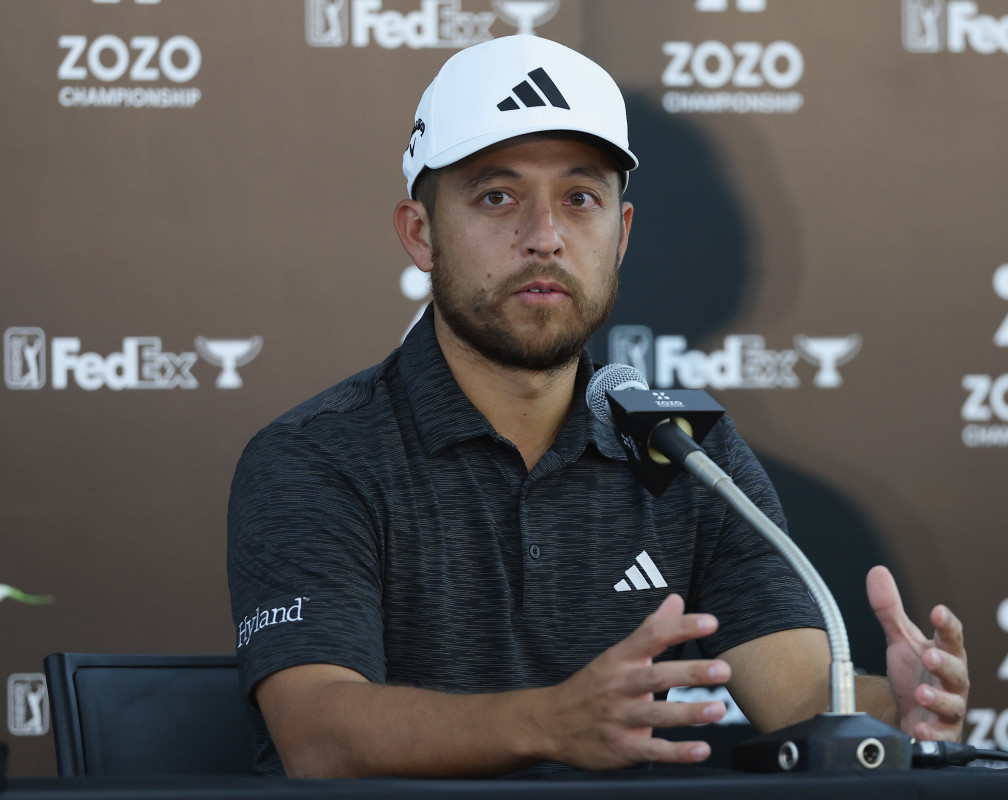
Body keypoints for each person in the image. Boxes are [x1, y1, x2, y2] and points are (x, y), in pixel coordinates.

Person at [227, 35, 968, 779]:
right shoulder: (316, 455)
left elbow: (805, 694)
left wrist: (891, 709)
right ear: (421, 235)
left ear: (622, 235)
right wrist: (551, 723)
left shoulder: (684, 450)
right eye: (497, 196)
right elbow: (317, 733)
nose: (544, 239)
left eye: (580, 199)